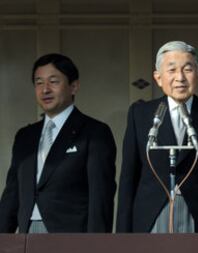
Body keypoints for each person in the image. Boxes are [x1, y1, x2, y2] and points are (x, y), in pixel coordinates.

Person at [116, 41, 198, 233]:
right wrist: (122, 236)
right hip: (150, 215)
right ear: (158, 77)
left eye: (187, 69)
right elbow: (128, 178)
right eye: (171, 70)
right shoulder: (141, 114)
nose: (180, 78)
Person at [0, 53, 117, 233]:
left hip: (71, 236)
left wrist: (97, 247)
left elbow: (100, 197)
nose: (45, 89)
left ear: (74, 86)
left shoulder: (95, 132)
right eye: (39, 83)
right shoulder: (25, 136)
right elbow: (12, 195)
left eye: (53, 82)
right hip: (27, 233)